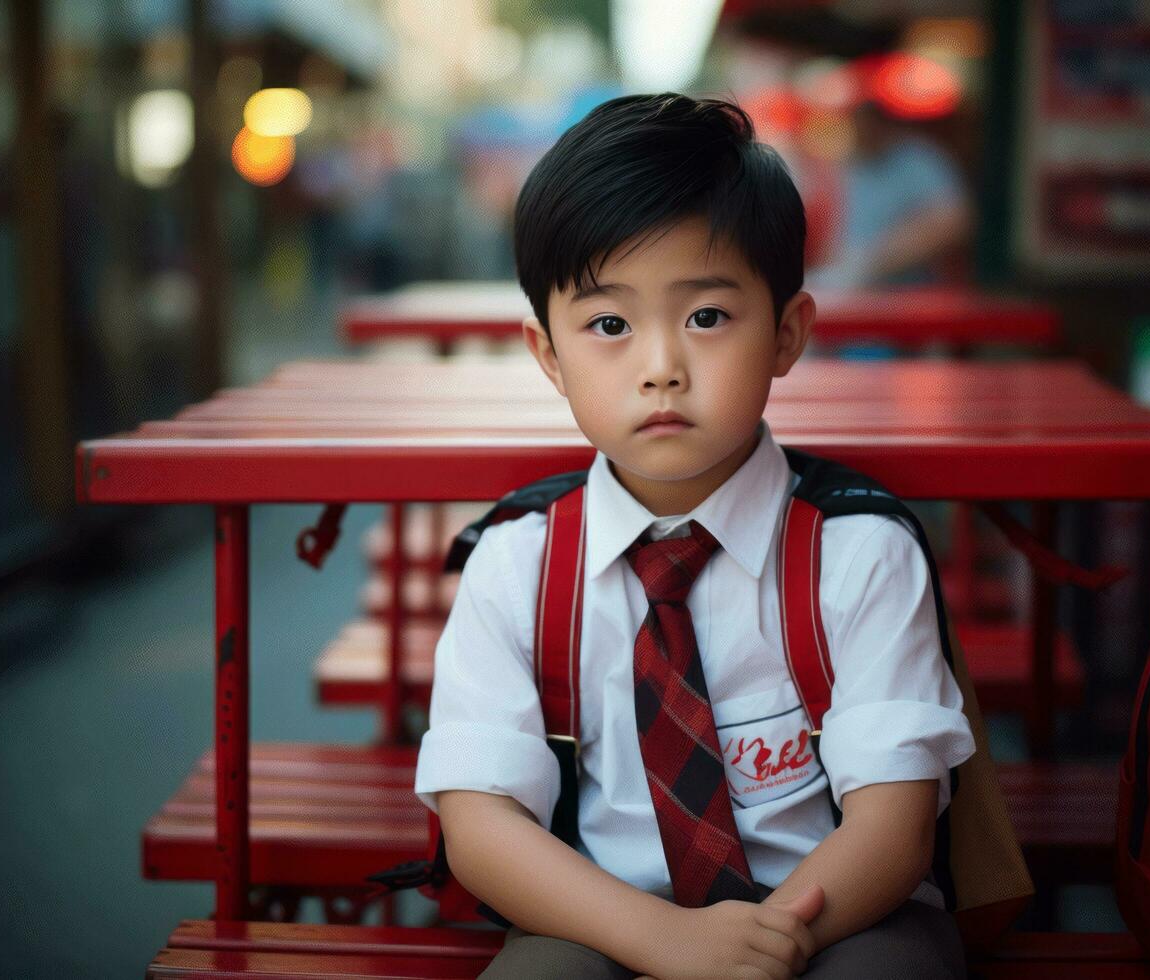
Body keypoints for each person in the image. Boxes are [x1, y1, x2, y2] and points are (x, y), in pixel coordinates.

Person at [413, 93, 975, 979]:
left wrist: (757, 946)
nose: (660, 365)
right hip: (599, 921)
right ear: (547, 354)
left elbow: (894, 828)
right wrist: (663, 942)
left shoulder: (858, 550)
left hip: (838, 916)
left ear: (787, 333)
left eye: (706, 316)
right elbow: (479, 824)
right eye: (608, 324)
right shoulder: (516, 563)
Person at [809, 98, 972, 290]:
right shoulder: (842, 163)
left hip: (906, 298)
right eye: (859, 119)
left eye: (871, 121)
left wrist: (869, 261)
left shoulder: (918, 160)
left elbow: (952, 223)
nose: (864, 128)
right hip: (844, 296)